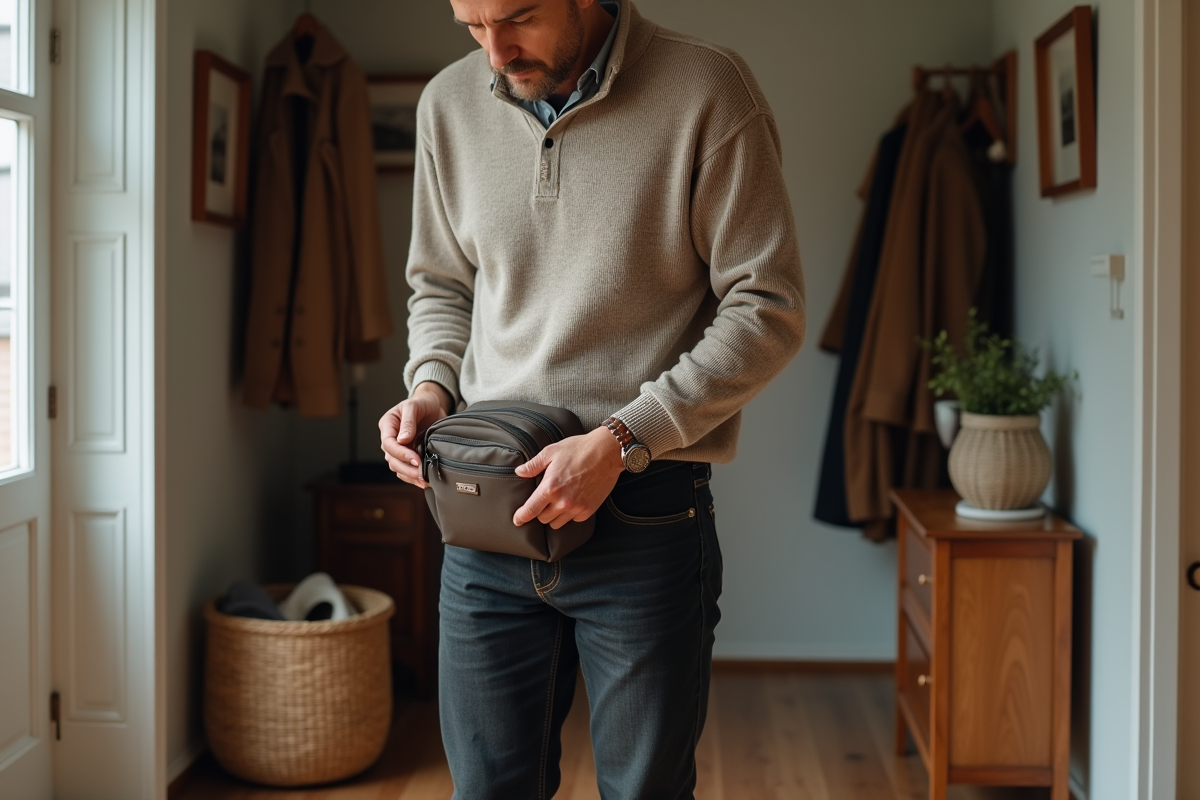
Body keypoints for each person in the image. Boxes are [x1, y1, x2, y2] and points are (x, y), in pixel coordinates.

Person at [378, 0, 805, 796]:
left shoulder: (708, 89)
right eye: (471, 26)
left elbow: (767, 308)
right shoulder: (448, 102)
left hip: (642, 513)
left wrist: (623, 438)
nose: (495, 51)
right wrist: (431, 386)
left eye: (517, 17)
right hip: (485, 516)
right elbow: (440, 285)